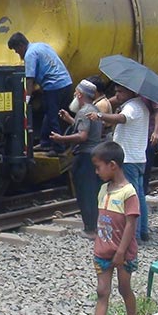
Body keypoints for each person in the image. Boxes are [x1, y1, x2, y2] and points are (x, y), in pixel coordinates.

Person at [72, 141, 142, 315]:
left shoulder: (128, 192)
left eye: (98, 166)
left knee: (124, 288)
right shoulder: (103, 189)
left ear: (112, 165)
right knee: (102, 291)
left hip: (123, 253)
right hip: (102, 251)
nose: (96, 171)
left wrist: (121, 252)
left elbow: (130, 225)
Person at [89, 84, 151, 242]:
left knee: (131, 199)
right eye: (116, 91)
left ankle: (134, 236)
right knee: (139, 196)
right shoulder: (140, 105)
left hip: (129, 158)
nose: (117, 94)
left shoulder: (132, 106)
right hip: (138, 157)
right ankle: (143, 231)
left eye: (120, 91)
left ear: (131, 91)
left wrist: (100, 115)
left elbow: (122, 119)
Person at [51, 80, 104, 236]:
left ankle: (90, 229)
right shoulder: (93, 109)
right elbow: (85, 129)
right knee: (92, 191)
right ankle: (93, 226)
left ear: (79, 94)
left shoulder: (83, 111)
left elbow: (82, 136)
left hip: (85, 156)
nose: (74, 94)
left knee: (85, 192)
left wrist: (61, 139)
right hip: (94, 154)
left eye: (76, 92)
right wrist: (69, 119)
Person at [7, 32, 73, 152]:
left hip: (54, 86)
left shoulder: (30, 54)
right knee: (49, 114)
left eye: (16, 50)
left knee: (53, 117)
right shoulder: (41, 46)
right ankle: (45, 142)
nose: (17, 53)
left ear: (21, 45)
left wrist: (26, 99)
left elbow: (29, 79)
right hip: (66, 83)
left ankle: (58, 149)